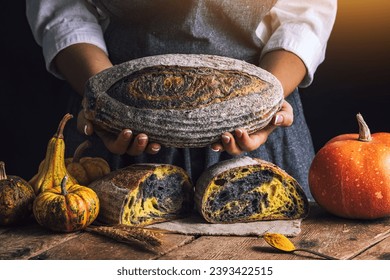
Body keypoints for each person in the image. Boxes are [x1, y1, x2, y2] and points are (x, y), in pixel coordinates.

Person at [26, 0, 337, 199]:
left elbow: (305, 11)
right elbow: (63, 7)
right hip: (115, 127)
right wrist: (103, 100)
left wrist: (264, 104)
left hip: (259, 133)